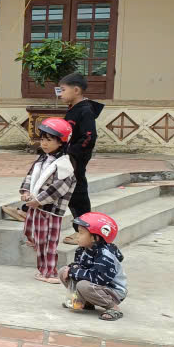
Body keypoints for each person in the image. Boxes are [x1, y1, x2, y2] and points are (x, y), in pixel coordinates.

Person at [20, 117, 76, 283]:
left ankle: (50, 272)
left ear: (61, 142)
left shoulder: (64, 164)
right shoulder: (42, 159)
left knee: (49, 243)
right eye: (43, 139)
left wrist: (39, 200)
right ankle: (43, 270)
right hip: (37, 207)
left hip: (51, 210)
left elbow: (59, 188)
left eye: (49, 140)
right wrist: (25, 191)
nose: (44, 143)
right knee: (38, 239)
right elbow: (30, 176)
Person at [59, 73, 103, 244]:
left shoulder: (85, 110)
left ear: (76, 90)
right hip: (68, 157)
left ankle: (86, 232)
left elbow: (89, 137)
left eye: (63, 90)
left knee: (78, 194)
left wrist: (71, 153)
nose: (60, 94)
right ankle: (27, 210)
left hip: (76, 159)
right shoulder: (74, 109)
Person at [60, 212, 127, 321]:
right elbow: (80, 266)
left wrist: (73, 271)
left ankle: (113, 307)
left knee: (82, 284)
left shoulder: (104, 255)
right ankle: (86, 302)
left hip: (112, 290)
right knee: (63, 271)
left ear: (95, 238)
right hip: (95, 286)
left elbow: (98, 278)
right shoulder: (82, 249)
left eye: (81, 233)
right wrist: (72, 268)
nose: (77, 236)